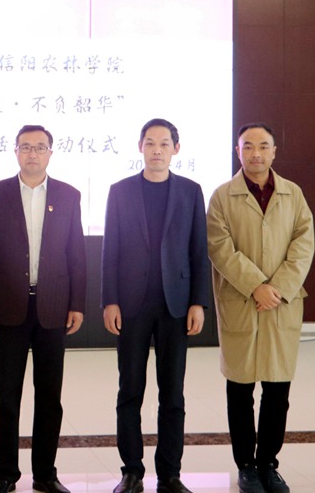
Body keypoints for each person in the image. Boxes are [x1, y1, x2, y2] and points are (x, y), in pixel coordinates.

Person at [0, 124, 87, 493]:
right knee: (7, 396)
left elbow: (76, 252)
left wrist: (77, 303)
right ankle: (6, 474)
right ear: (16, 152)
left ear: (50, 153)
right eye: (26, 147)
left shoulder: (68, 195)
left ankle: (45, 474)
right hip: (8, 307)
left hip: (53, 307)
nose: (33, 153)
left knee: (49, 397)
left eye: (40, 147)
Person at [101, 118, 210, 493]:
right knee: (130, 390)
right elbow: (110, 250)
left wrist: (199, 302)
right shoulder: (120, 191)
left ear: (176, 149)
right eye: (150, 143)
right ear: (140, 147)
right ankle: (131, 471)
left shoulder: (191, 191)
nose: (157, 150)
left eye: (164, 143)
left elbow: (199, 250)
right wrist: (109, 300)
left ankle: (170, 473)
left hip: (175, 306)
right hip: (131, 305)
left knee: (172, 393)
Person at [206, 123, 315, 493]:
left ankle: (268, 463)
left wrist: (277, 288)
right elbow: (220, 248)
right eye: (248, 146)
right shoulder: (222, 196)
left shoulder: (293, 194)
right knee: (239, 390)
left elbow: (304, 244)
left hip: (281, 305)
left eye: (263, 146)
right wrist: (256, 286)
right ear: (237, 151)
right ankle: (246, 466)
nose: (256, 153)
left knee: (277, 390)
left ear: (274, 151)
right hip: (241, 301)